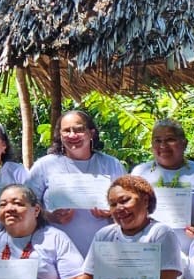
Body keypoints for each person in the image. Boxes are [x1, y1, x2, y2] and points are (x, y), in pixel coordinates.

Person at [26, 108, 127, 257]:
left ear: (91, 133)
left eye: (79, 130)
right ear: (60, 135)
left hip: (103, 250)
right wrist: (49, 216)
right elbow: (26, 205)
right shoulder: (44, 165)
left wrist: (112, 213)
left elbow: (128, 203)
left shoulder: (111, 164)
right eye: (66, 130)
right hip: (54, 251)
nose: (72, 135)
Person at [130, 118, 194, 234]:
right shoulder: (139, 173)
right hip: (151, 246)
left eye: (170, 139)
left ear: (184, 143)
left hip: (192, 248)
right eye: (157, 140)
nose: (163, 145)